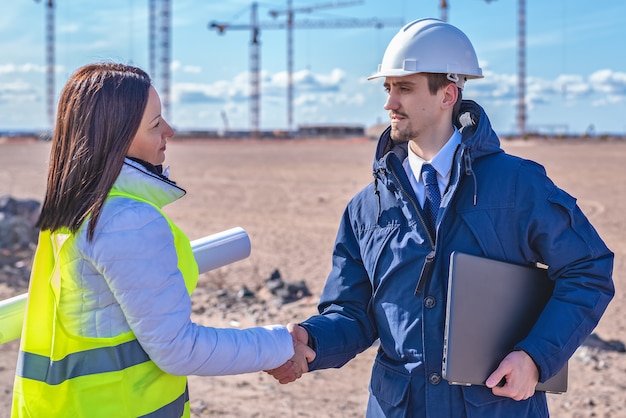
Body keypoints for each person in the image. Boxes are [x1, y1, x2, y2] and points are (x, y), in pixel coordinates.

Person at [265, 18, 615, 417]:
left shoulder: (518, 185)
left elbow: (588, 270)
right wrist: (313, 339)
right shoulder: (366, 207)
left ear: (449, 93)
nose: (389, 104)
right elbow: (352, 312)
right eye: (388, 88)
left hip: (494, 407)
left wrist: (534, 358)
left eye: (405, 88)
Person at [11, 62, 313, 417]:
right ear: (116, 137)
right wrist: (277, 344)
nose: (170, 130)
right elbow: (177, 348)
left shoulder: (73, 213)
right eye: (156, 124)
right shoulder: (125, 221)